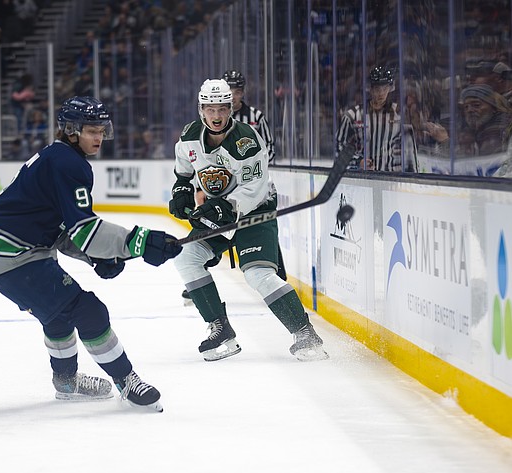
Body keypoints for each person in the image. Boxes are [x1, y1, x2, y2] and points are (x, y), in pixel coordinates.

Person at [0, 96, 182, 411]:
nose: (99, 138)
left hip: (11, 250)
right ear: (72, 130)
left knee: (58, 317)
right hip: (13, 256)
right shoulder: (70, 164)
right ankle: (126, 380)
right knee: (89, 310)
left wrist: (94, 257)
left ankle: (66, 382)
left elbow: (61, 229)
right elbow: (85, 230)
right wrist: (141, 241)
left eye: (102, 130)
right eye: (91, 131)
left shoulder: (58, 158)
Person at [169, 79, 328, 363]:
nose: (216, 116)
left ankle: (304, 332)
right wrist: (181, 192)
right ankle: (221, 328)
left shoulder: (246, 140)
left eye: (222, 108)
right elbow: (183, 173)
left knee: (258, 275)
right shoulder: (189, 136)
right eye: (209, 109)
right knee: (185, 256)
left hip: (254, 213)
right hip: (219, 212)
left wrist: (223, 207)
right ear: (201, 109)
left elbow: (254, 190)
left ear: (230, 108)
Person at [180, 70, 285, 305]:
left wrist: (251, 172)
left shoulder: (254, 118)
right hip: (218, 186)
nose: (235, 95)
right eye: (211, 108)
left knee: (257, 232)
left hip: (251, 184)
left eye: (237, 91)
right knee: (208, 226)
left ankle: (274, 272)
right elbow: (200, 160)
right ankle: (200, 274)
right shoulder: (198, 130)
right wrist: (197, 186)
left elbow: (266, 150)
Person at [336, 66, 417, 172]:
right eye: (378, 89)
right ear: (371, 88)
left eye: (385, 88)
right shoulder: (352, 115)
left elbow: (409, 149)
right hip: (361, 179)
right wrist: (357, 162)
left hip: (390, 179)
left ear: (390, 88)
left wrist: (414, 176)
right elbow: (338, 147)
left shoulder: (399, 114)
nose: (381, 93)